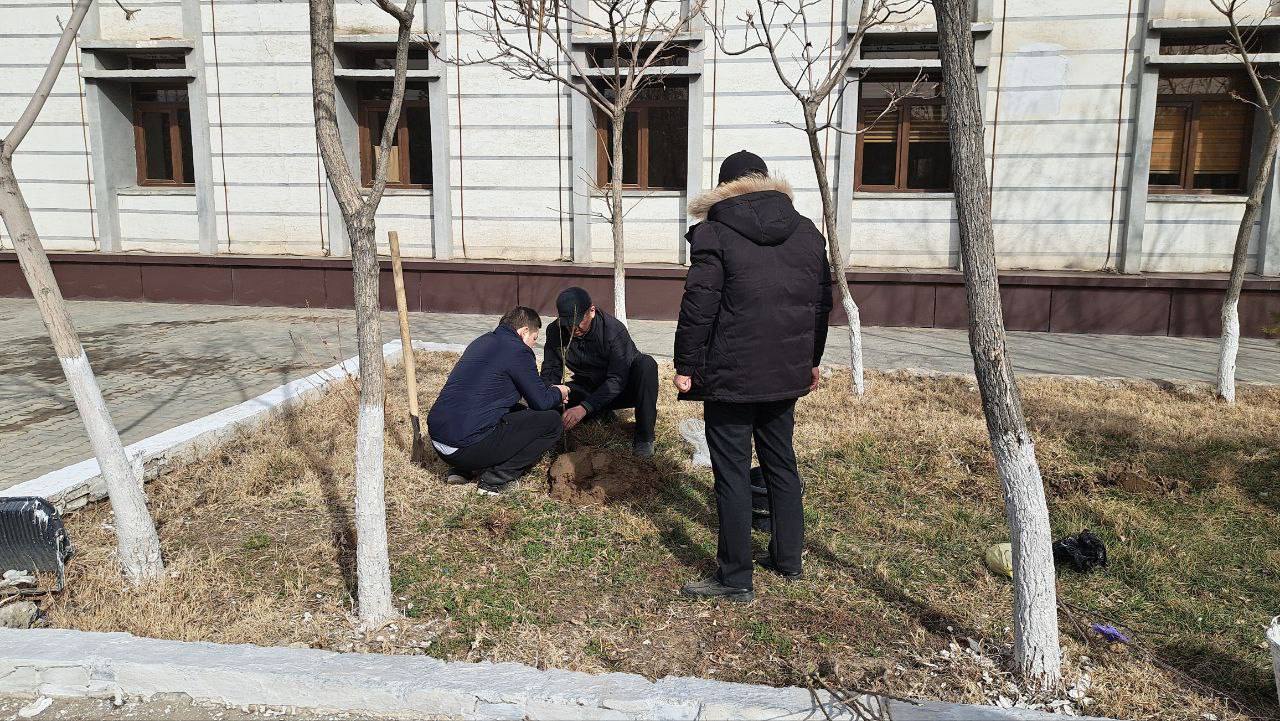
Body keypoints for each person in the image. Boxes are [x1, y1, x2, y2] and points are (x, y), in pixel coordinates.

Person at [673, 150, 833, 602]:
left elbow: (699, 304)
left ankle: (735, 578)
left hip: (730, 376)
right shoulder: (807, 231)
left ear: (724, 189)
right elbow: (821, 305)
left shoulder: (715, 233)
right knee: (781, 463)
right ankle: (788, 559)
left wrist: (686, 365)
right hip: (785, 372)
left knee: (732, 472)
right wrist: (812, 359)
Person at [426, 306, 571, 495]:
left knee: (514, 411)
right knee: (551, 421)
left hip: (439, 441)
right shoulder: (519, 351)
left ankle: (462, 471)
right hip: (465, 448)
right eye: (534, 338)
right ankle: (495, 480)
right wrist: (559, 391)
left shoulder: (482, 341)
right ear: (524, 331)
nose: (533, 345)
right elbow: (541, 402)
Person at [540, 287, 659, 458]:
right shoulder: (555, 331)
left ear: (592, 311)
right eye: (568, 324)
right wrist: (553, 391)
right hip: (587, 388)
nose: (573, 329)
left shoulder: (613, 330)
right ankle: (598, 413)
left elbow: (617, 379)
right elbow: (550, 369)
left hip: (621, 389)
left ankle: (644, 438)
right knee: (549, 401)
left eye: (578, 322)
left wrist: (584, 408)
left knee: (647, 364)